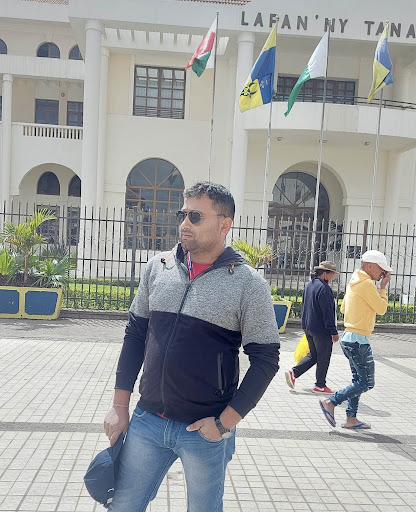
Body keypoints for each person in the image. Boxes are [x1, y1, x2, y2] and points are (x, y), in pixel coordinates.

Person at [103, 182, 280, 512]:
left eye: (196, 216)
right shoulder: (158, 267)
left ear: (224, 224)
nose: (185, 223)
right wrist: (119, 405)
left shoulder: (248, 284)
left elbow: (266, 360)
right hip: (147, 421)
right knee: (122, 506)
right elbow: (135, 335)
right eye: (183, 214)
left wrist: (225, 423)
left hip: (204, 430)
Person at [319, 250, 391, 429]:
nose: (383, 273)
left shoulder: (354, 281)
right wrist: (383, 288)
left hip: (349, 338)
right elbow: (381, 309)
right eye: (381, 268)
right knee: (366, 382)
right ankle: (331, 402)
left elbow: (343, 308)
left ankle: (351, 419)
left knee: (357, 380)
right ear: (369, 267)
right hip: (359, 340)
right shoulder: (366, 284)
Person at [285, 261, 339, 393]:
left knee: (314, 355)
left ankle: (293, 372)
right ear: (325, 274)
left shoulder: (310, 285)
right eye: (332, 275)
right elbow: (328, 313)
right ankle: (320, 385)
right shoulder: (324, 289)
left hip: (308, 326)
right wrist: (333, 331)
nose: (332, 278)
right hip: (321, 329)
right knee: (323, 356)